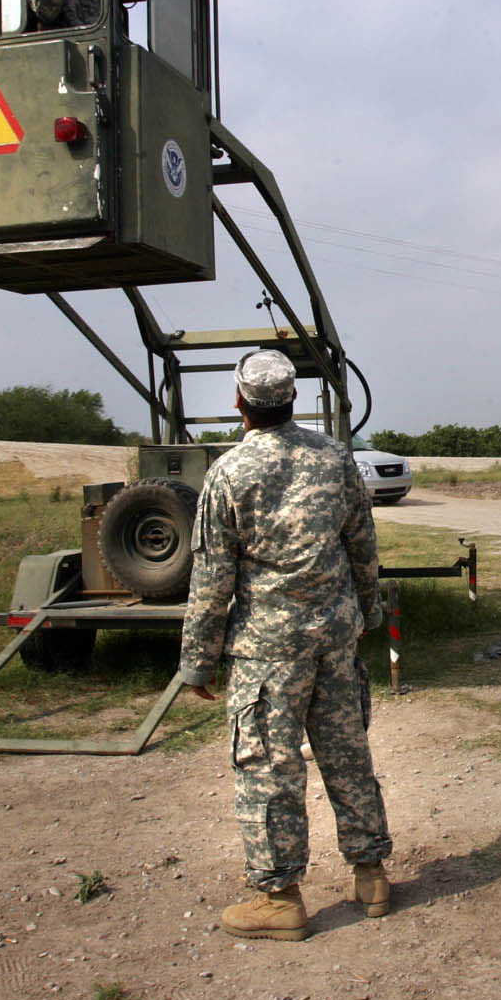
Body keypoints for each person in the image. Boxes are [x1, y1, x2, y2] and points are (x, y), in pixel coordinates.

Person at [177, 349, 393, 941]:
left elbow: (211, 577)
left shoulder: (229, 473)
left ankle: (279, 899)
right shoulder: (335, 460)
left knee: (269, 770)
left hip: (268, 654)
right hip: (335, 641)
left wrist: (197, 659)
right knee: (348, 753)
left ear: (240, 404)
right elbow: (363, 547)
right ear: (293, 399)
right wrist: (368, 613)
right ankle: (371, 875)